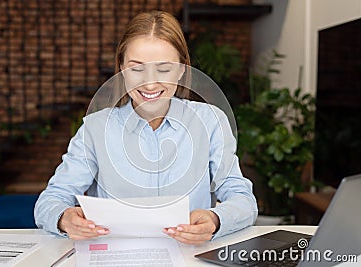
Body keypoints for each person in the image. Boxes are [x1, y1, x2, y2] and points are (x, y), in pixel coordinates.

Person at [34, 10, 257, 245]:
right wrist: (63, 218)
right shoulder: (95, 129)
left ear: (182, 69)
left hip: (190, 256)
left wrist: (215, 219)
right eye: (136, 68)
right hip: (116, 257)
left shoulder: (210, 121)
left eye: (164, 68)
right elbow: (51, 200)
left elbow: (243, 199)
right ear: (121, 69)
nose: (150, 83)